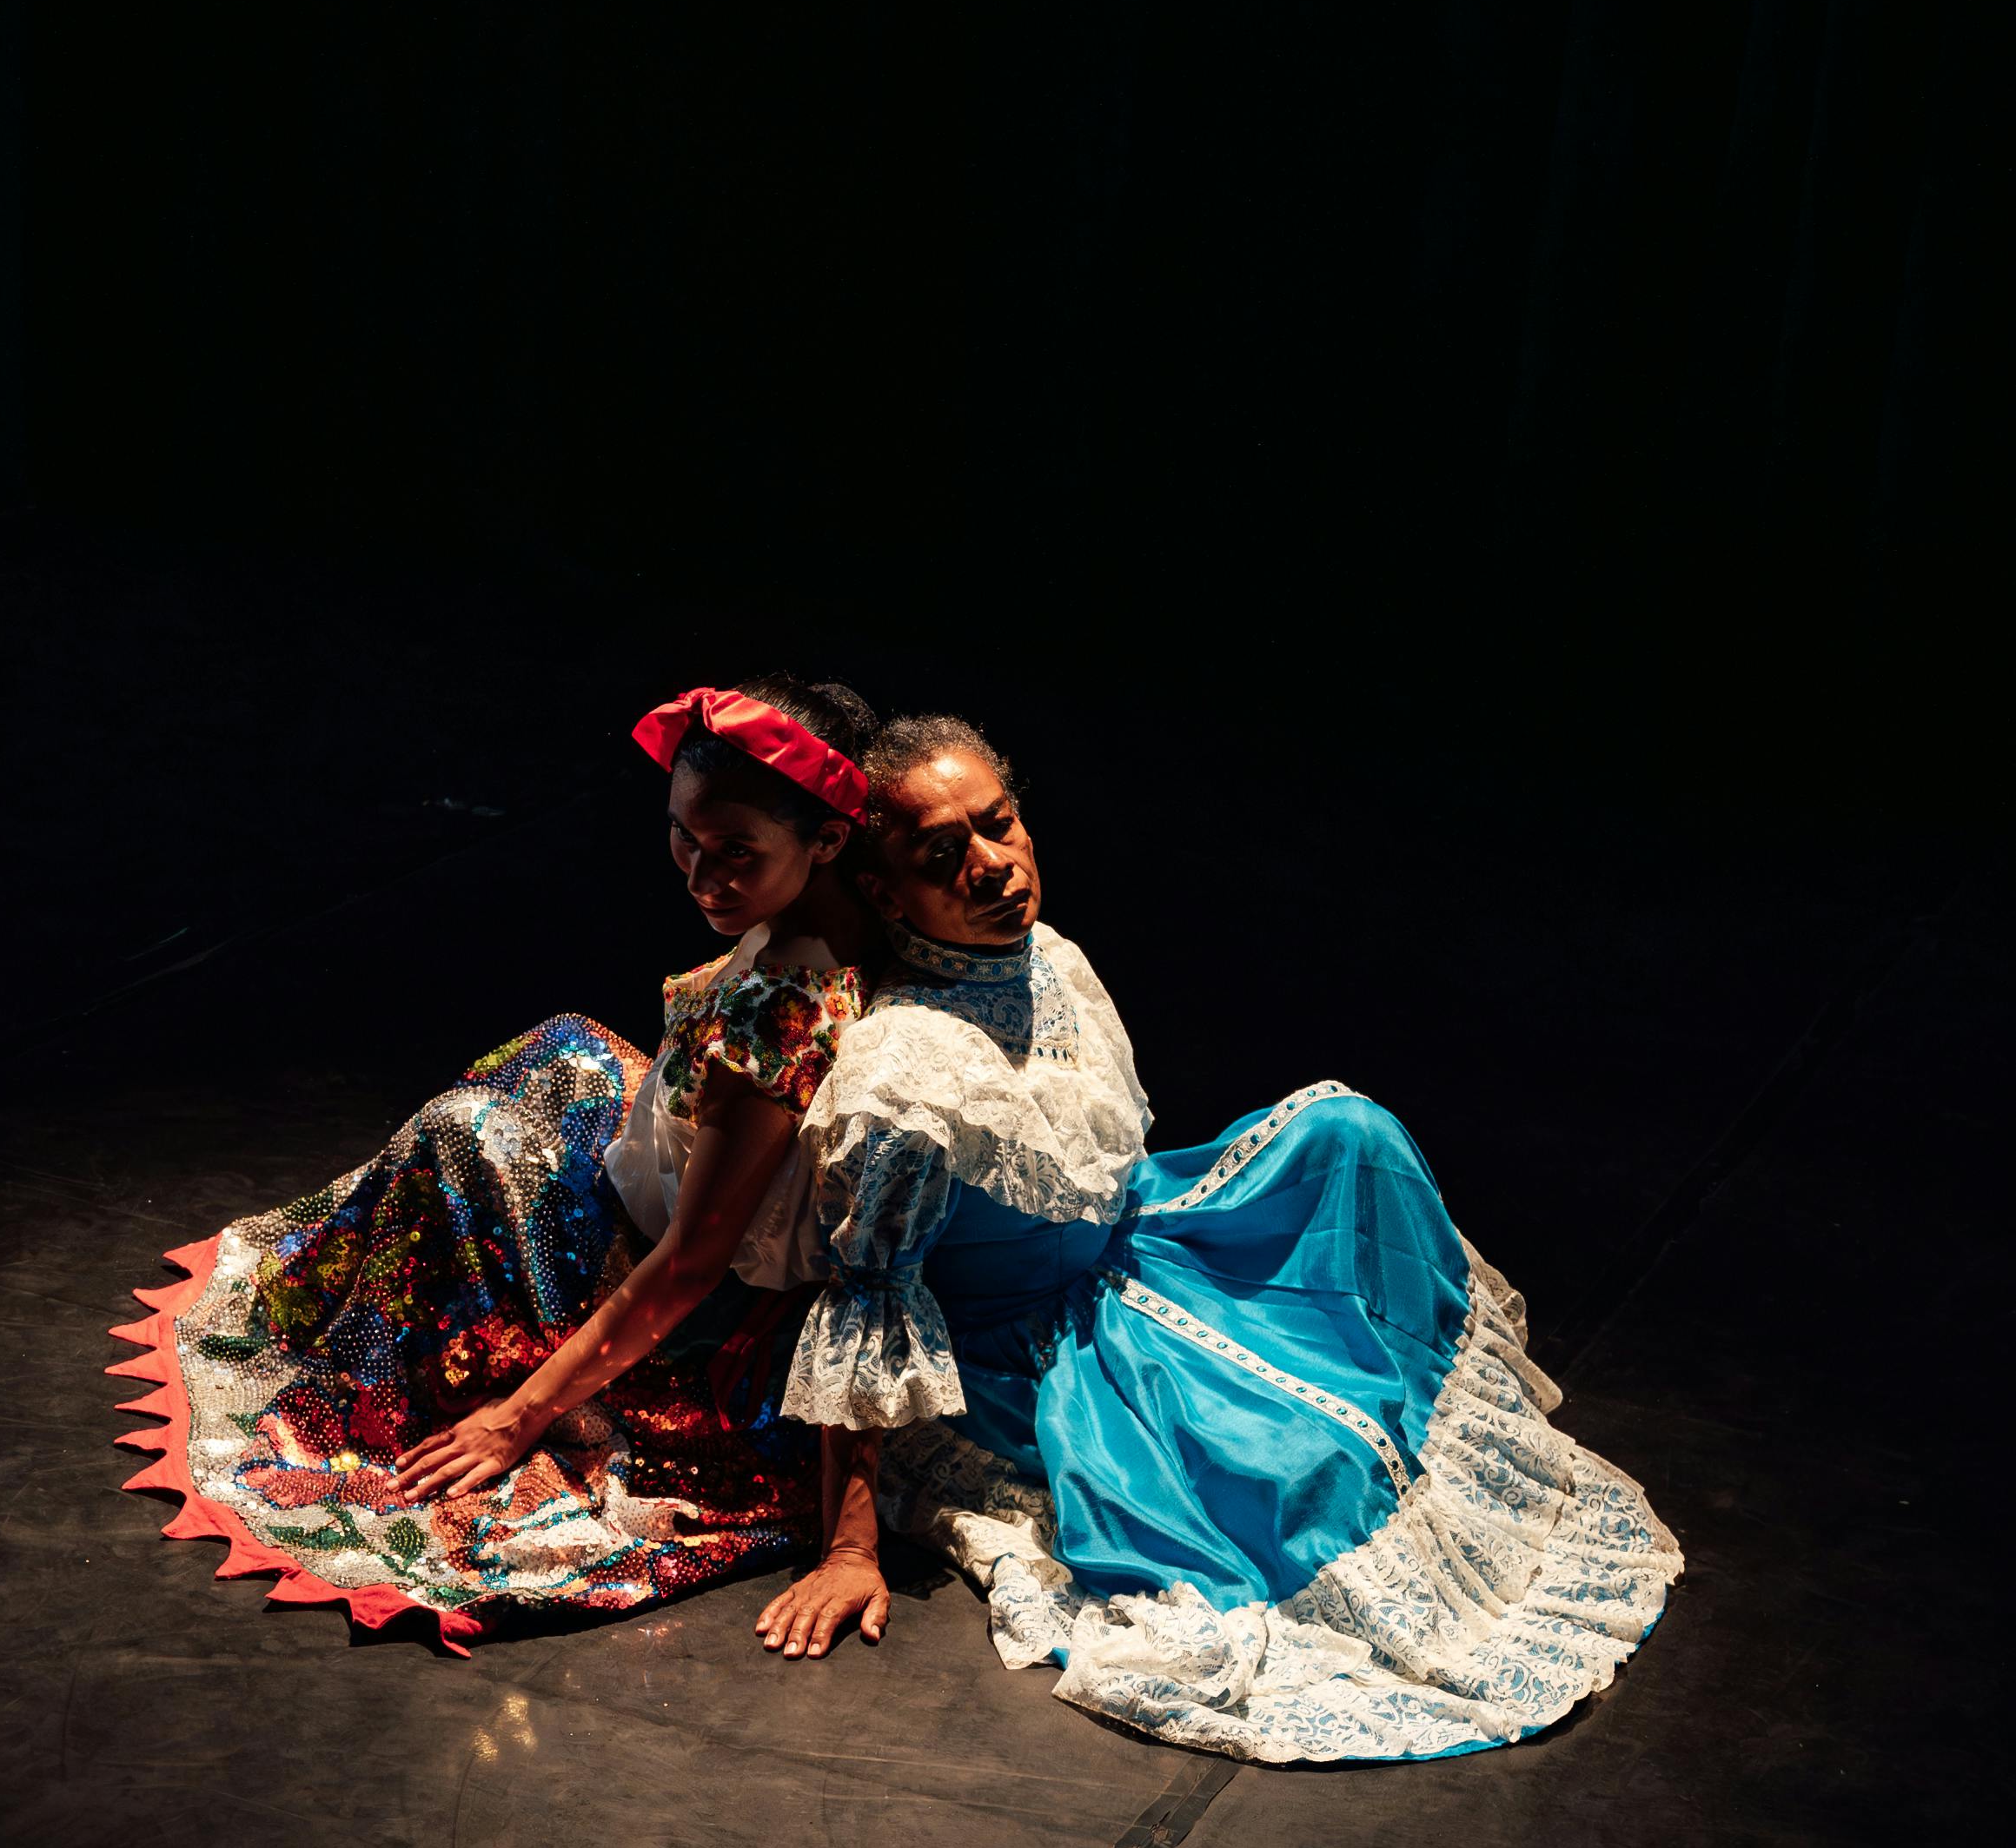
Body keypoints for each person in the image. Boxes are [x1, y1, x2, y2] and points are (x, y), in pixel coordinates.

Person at [763, 713, 1681, 1761]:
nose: (992, 867)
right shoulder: (903, 1074)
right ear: (885, 892)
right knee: (1302, 1468)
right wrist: (849, 1545)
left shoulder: (1043, 956)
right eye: (942, 856)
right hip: (1021, 1348)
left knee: (1346, 1134)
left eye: (999, 825)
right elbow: (866, 1296)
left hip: (1133, 1243)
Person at [109, 679, 885, 1651]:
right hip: (691, 1166)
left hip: (698, 1291)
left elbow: (690, 1262)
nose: (700, 874)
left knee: (460, 1135)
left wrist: (516, 1418)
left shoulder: (782, 1008)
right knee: (562, 1047)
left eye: (737, 853)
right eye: (685, 836)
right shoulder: (851, 905)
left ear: (827, 839)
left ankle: (407, 1375)